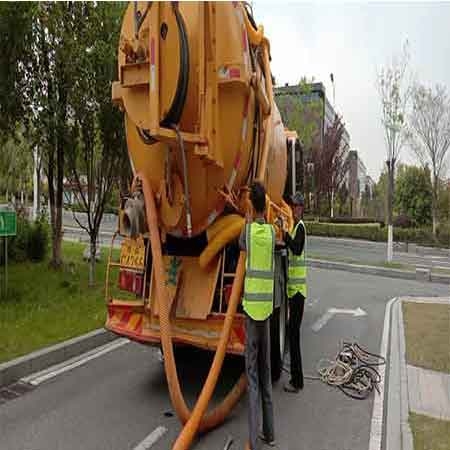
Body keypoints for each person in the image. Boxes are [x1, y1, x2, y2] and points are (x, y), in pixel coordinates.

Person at [240, 181, 276, 450]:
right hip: (267, 313)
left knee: (251, 375)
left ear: (252, 204)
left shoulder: (248, 232)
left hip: (252, 314)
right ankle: (270, 433)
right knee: (265, 374)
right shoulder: (273, 233)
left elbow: (241, 243)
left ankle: (253, 441)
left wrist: (247, 217)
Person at [283, 192, 307, 393]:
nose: (293, 208)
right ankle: (295, 377)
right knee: (292, 335)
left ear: (301, 208)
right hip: (294, 292)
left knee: (294, 336)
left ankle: (297, 381)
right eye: (292, 205)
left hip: (298, 292)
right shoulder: (295, 226)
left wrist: (285, 236)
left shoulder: (300, 228)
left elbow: (297, 249)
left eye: (295, 206)